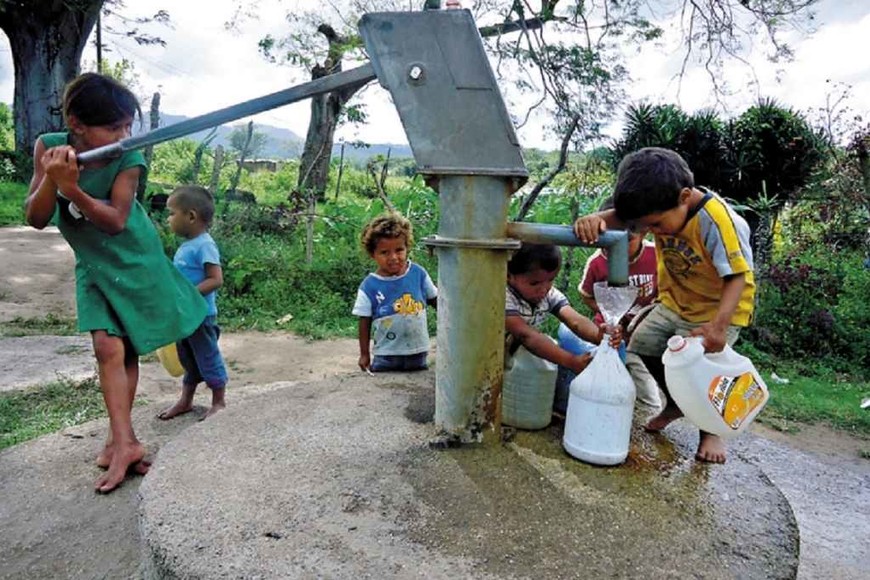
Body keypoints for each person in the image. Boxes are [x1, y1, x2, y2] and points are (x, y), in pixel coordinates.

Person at [24, 73, 208, 493]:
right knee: (107, 346)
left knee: (123, 349)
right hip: (93, 263)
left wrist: (73, 191)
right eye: (113, 127)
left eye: (128, 126)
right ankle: (125, 441)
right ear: (77, 123)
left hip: (133, 255)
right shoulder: (48, 146)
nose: (123, 135)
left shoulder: (128, 158)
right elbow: (34, 218)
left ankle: (119, 440)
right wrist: (53, 178)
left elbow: (115, 221)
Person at [573, 147, 756, 463]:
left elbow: (738, 276)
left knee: (703, 371)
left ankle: (711, 431)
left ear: (685, 196)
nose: (651, 233)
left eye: (655, 225)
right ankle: (675, 403)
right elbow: (622, 218)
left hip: (716, 311)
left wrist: (719, 327)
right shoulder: (662, 205)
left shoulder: (717, 221)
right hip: (676, 302)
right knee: (643, 343)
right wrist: (595, 219)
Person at [558, 200, 661, 410]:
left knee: (644, 374)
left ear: (643, 233)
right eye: (610, 242)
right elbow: (586, 295)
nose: (617, 250)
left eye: (627, 241)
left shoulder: (655, 256)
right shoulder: (596, 263)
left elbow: (664, 292)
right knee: (605, 375)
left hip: (643, 330)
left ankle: (649, 411)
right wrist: (606, 313)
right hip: (607, 331)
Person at [158, 185, 229, 421]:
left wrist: (187, 295)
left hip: (201, 315)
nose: (168, 219)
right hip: (186, 315)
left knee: (207, 356)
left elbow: (215, 279)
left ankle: (219, 402)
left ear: (190, 216)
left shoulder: (205, 245)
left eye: (171, 213)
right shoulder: (188, 245)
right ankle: (185, 400)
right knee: (189, 359)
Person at [505, 242, 620, 375]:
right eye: (534, 283)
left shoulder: (548, 294)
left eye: (550, 280)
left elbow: (575, 320)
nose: (543, 289)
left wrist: (598, 335)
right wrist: (570, 361)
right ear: (509, 276)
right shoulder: (502, 297)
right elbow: (526, 336)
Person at [352, 213, 438, 372]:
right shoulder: (369, 286)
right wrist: (364, 354)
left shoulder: (418, 274)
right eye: (384, 252)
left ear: (407, 248)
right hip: (386, 356)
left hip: (418, 354)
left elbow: (437, 302)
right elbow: (364, 321)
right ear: (373, 255)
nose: (393, 257)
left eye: (399, 250)